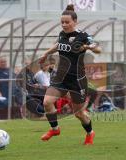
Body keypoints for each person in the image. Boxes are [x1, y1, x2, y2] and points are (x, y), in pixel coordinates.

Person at [39, 4, 101, 145]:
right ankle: (55, 129)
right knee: (47, 102)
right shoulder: (62, 34)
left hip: (77, 80)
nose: (64, 25)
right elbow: (58, 45)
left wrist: (90, 47)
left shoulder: (83, 36)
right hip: (61, 77)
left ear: (75, 21)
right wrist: (46, 53)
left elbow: (98, 48)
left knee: (79, 113)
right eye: (62, 22)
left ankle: (90, 133)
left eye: (67, 22)